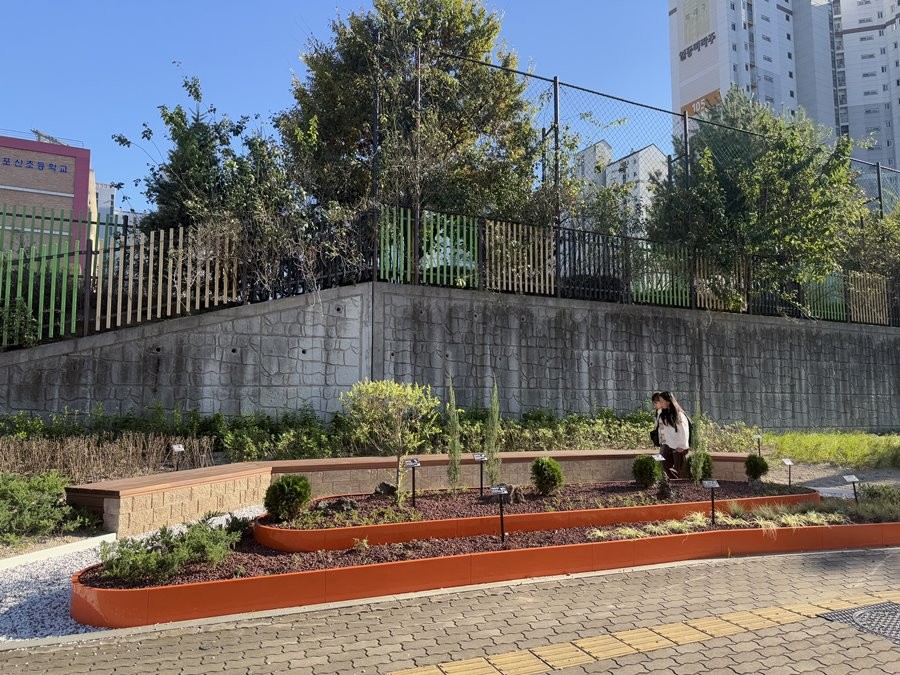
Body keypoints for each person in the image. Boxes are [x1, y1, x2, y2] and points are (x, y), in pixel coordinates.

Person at [651, 391, 690, 479]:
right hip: (666, 445)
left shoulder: (679, 414)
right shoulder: (662, 414)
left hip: (678, 446)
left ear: (668, 401)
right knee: (662, 464)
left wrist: (683, 446)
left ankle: (678, 485)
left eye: (661, 401)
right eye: (659, 401)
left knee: (679, 469)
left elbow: (684, 430)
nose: (660, 403)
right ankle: (671, 484)